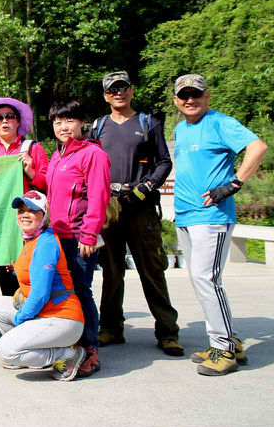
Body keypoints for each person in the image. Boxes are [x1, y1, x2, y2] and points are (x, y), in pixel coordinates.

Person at [172, 74, 266, 376]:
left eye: (196, 94)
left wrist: (235, 183)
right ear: (176, 100)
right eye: (184, 95)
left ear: (207, 97)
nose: (190, 100)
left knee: (207, 280)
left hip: (212, 217)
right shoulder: (181, 129)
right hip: (185, 216)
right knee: (201, 281)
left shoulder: (220, 122)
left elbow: (257, 146)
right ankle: (228, 340)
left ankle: (224, 349)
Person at [92, 71, 182, 356]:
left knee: (151, 270)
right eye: (112, 89)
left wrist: (148, 185)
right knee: (112, 271)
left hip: (141, 206)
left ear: (131, 91)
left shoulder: (147, 122)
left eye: (123, 88)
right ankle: (110, 328)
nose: (118, 93)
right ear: (105, 95)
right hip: (109, 207)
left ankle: (168, 331)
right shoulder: (98, 126)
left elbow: (164, 162)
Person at [0, 190, 87, 381]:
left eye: (32, 210)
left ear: (44, 215)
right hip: (45, 314)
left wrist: (21, 320)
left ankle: (66, 355)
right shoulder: (33, 238)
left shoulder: (45, 243)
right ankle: (30, 352)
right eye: (21, 210)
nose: (25, 214)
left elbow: (40, 293)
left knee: (4, 351)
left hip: (62, 319)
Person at [45, 100, 111, 378]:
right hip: (56, 236)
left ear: (82, 122)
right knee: (63, 293)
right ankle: (70, 343)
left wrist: (89, 234)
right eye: (58, 122)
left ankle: (90, 347)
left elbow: (99, 197)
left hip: (78, 236)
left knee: (81, 292)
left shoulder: (92, 154)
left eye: (69, 120)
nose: (64, 126)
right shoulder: (58, 155)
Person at [0, 97, 50, 297]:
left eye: (10, 116)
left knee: (30, 277)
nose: (4, 121)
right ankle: (11, 321)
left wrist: (31, 171)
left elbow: (47, 185)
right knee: (7, 278)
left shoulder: (33, 148)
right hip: (1, 224)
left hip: (29, 223)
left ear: (18, 121)